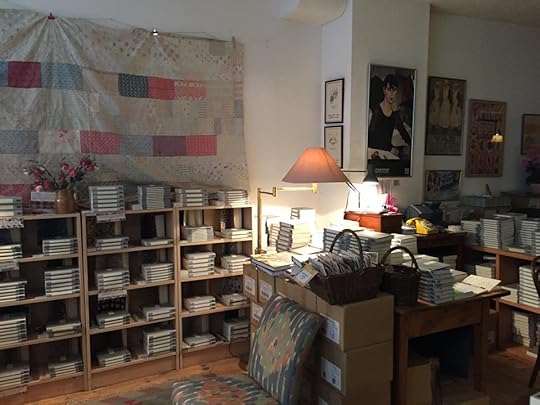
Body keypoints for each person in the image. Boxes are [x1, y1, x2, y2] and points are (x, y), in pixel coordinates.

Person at [368, 74, 411, 159]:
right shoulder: (377, 110)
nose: (391, 94)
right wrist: (390, 148)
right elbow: (371, 140)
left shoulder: (394, 113)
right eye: (389, 90)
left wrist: (412, 145)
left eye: (394, 90)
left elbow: (402, 131)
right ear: (384, 90)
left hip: (387, 151)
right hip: (376, 151)